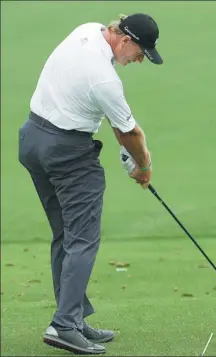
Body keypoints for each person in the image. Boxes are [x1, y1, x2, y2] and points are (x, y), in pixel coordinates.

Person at [18, 13, 163, 355]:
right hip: (67, 153)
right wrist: (144, 166)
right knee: (82, 238)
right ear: (125, 41)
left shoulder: (85, 30)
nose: (139, 60)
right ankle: (64, 325)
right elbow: (130, 133)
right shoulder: (105, 80)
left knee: (66, 235)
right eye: (141, 52)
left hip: (32, 140)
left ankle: (73, 316)